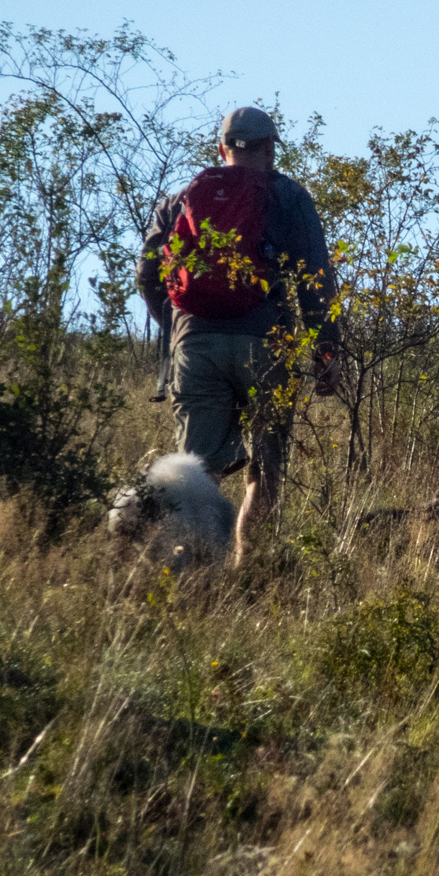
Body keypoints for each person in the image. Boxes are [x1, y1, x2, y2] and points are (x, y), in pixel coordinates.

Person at [138, 106, 338, 566]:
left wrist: (175, 327)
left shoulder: (181, 200)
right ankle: (247, 567)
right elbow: (316, 280)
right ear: (269, 148)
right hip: (266, 344)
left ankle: (190, 571)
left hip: (195, 345)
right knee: (265, 470)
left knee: (198, 471)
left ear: (221, 148)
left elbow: (148, 274)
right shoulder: (289, 198)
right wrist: (325, 349)